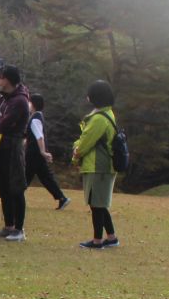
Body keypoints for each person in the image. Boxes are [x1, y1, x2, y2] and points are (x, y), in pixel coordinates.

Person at [0, 64, 32, 241]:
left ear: (9, 80)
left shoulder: (20, 101)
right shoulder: (3, 98)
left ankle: (19, 229)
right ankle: (8, 225)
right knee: (3, 186)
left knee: (15, 187)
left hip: (13, 147)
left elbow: (2, 125)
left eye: (1, 77)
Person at [74, 79, 121, 248]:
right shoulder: (107, 113)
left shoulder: (99, 119)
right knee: (100, 203)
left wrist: (76, 153)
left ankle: (97, 240)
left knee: (96, 204)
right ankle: (111, 237)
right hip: (102, 166)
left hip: (98, 166)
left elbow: (86, 141)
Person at [24, 93, 69, 210]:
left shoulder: (35, 119)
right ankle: (62, 198)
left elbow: (40, 137)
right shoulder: (38, 116)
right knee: (46, 178)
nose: (27, 104)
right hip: (36, 154)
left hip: (34, 154)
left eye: (29, 102)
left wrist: (43, 152)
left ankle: (15, 198)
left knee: (25, 176)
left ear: (33, 104)